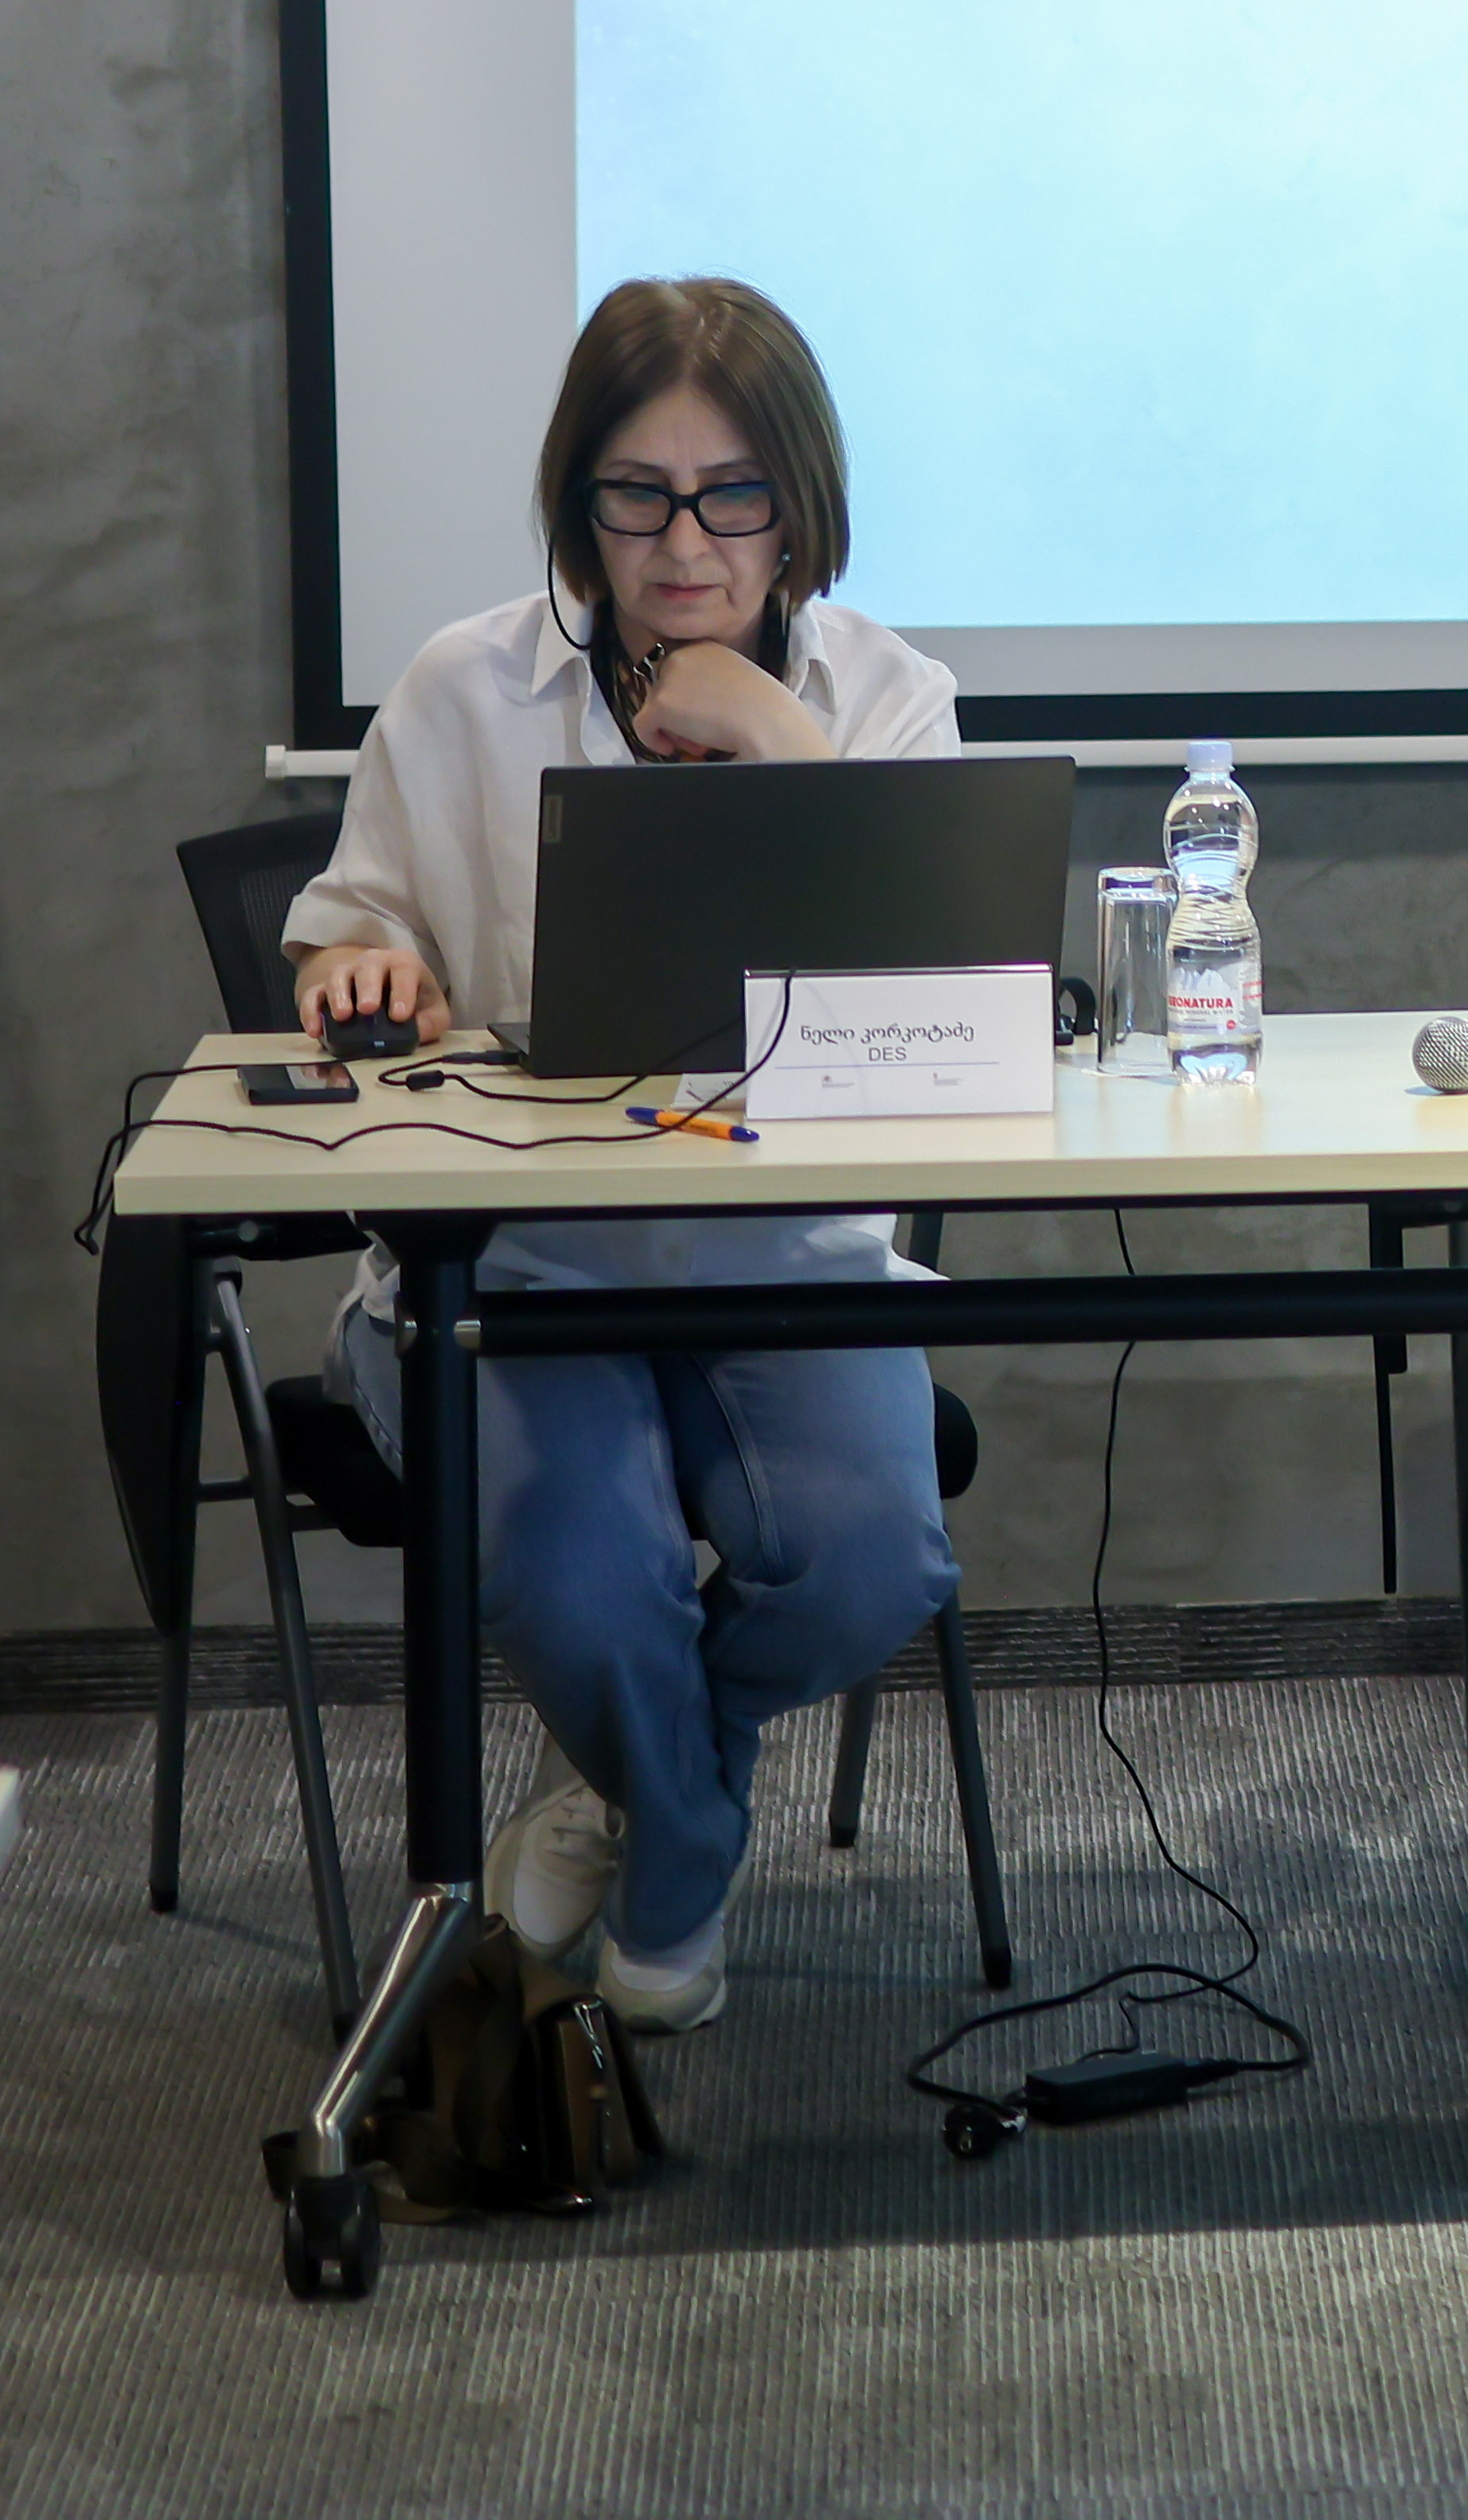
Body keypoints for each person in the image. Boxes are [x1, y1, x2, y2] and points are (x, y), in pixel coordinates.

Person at [283, 276, 961, 2030]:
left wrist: (780, 739)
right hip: (514, 1264)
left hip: (788, 1255)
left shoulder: (889, 696)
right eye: (637, 498)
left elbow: (937, 1011)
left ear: (798, 508)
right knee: (586, 1584)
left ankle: (633, 1783)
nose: (683, 547)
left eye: (732, 497)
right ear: (577, 505)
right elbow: (352, 920)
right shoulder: (466, 688)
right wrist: (365, 965)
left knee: (874, 1560)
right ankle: (681, 1852)